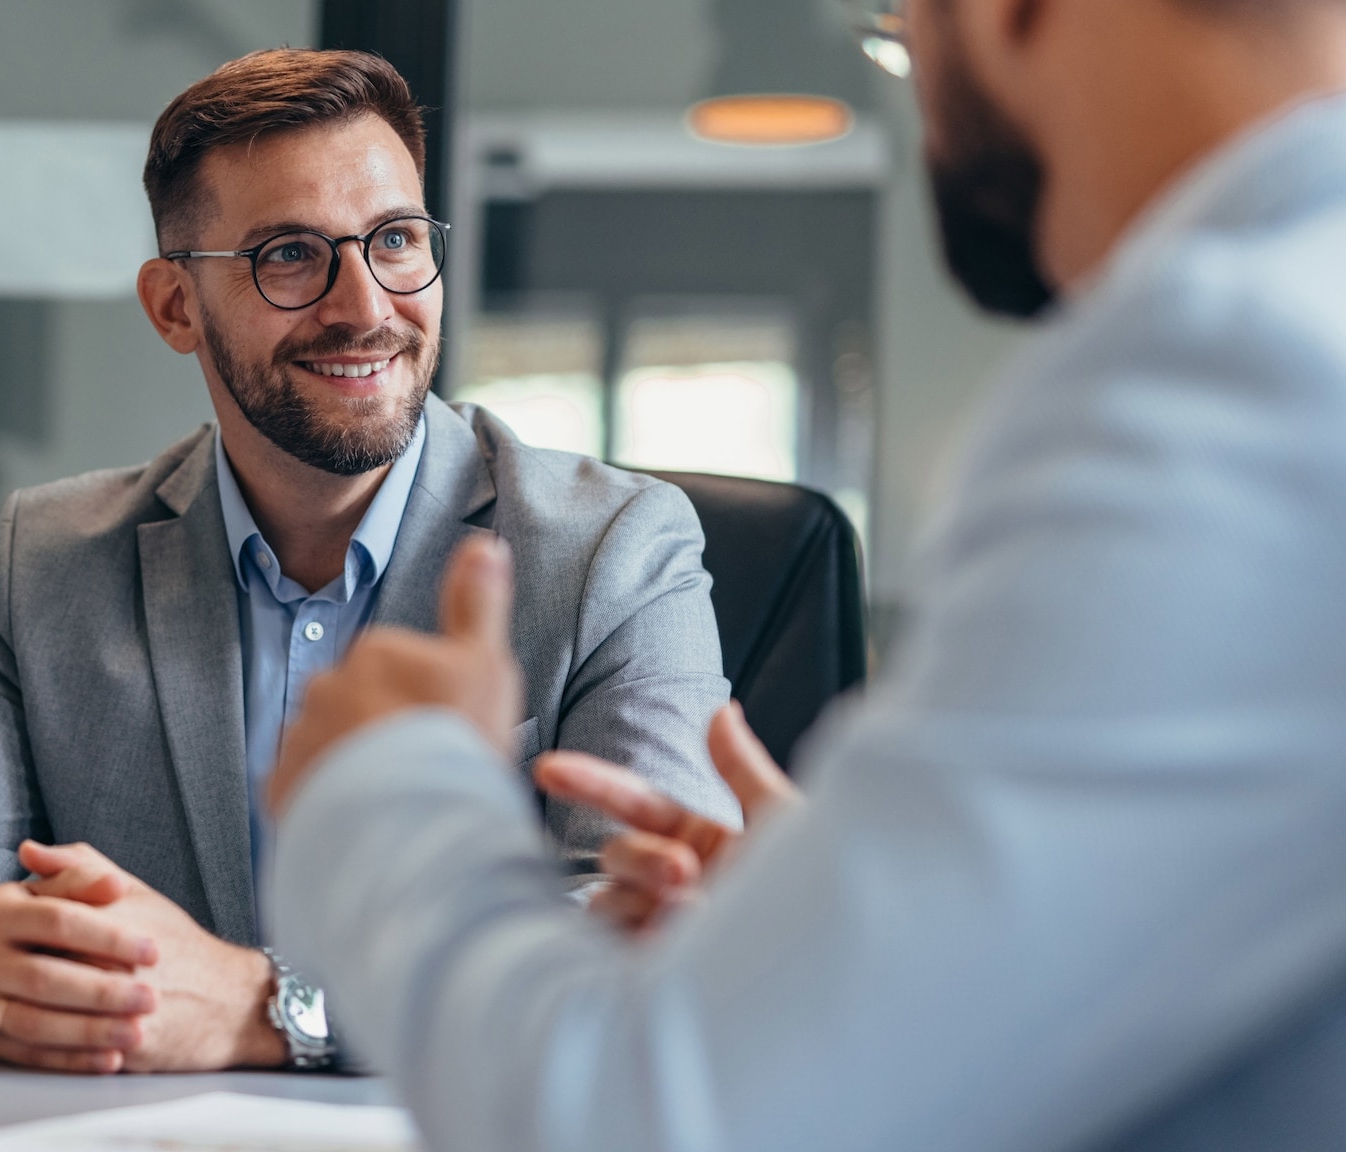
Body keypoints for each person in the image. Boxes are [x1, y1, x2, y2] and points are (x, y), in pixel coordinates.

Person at [263, 0, 1346, 1148]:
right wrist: (864, 946)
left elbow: (639, 1120)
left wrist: (385, 791)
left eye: (898, 20)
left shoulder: (1232, 375)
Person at [0, 48, 739, 1074]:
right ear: (173, 308)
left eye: (396, 241)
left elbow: (658, 938)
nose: (366, 306)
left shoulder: (610, 550)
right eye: (289, 255)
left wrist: (270, 1011)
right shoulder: (56, 558)